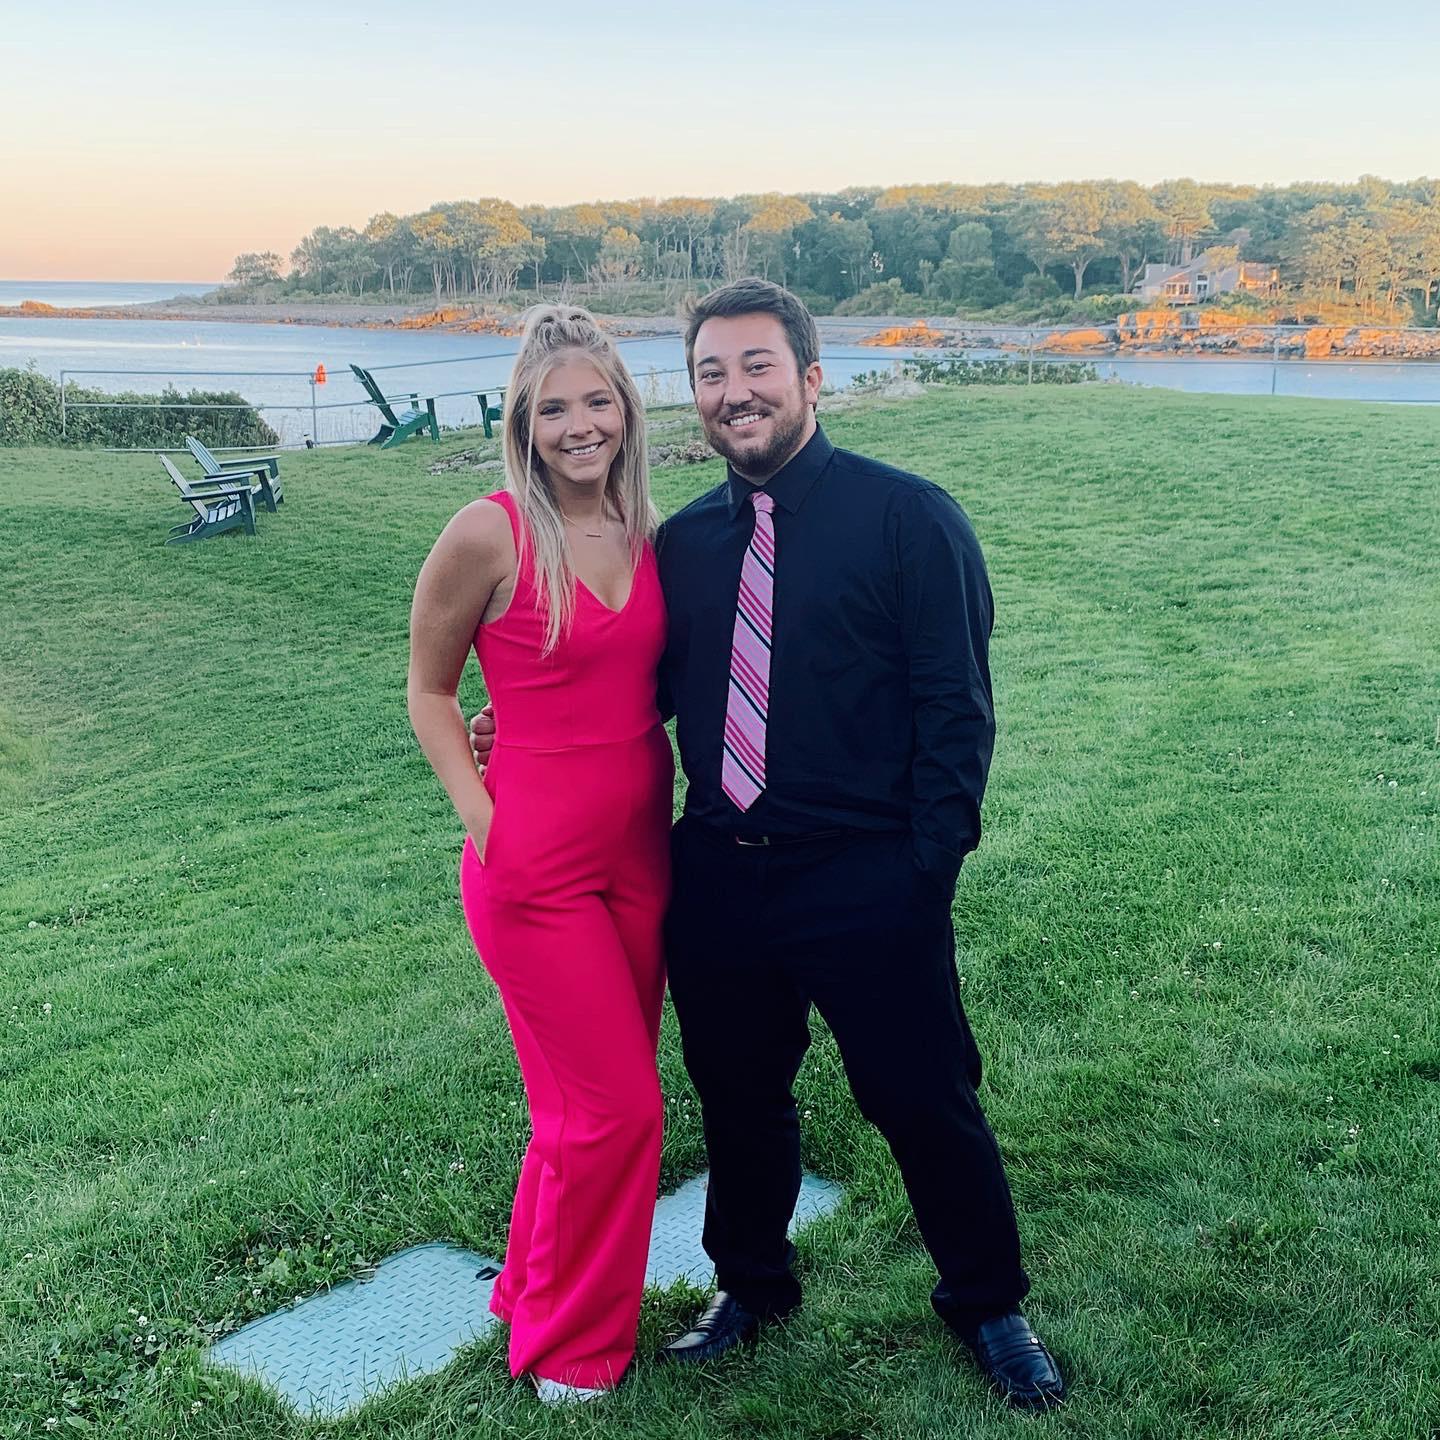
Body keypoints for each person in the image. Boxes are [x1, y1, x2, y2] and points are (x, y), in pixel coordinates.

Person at [475, 278, 1065, 1409]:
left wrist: (925, 872)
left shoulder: (909, 520)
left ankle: (989, 1305)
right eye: (712, 373)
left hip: (868, 875)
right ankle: (751, 1286)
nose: (735, 393)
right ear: (692, 395)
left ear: (810, 378)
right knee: (739, 1099)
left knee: (923, 1096)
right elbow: (636, 689)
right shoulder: (685, 545)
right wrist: (517, 724)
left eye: (757, 367)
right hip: (719, 876)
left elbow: (957, 712)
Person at [409, 306, 673, 1405]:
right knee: (619, 1111)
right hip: (535, 864)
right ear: (523, 419)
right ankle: (571, 1349)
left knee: (581, 1109)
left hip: (642, 853)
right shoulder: (490, 531)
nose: (580, 425)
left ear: (626, 410)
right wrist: (487, 819)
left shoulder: (643, 526)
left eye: (598, 401)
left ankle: (529, 1289)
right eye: (554, 407)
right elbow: (429, 691)